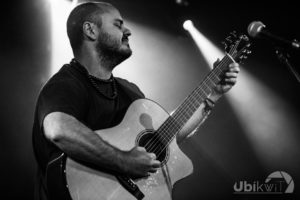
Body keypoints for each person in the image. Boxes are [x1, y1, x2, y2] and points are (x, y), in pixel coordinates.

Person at [32, 2, 240, 200]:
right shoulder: (66, 83)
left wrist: (212, 94)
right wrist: (123, 161)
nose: (128, 31)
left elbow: (166, 137)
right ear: (91, 31)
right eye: (118, 24)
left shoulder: (129, 91)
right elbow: (58, 129)